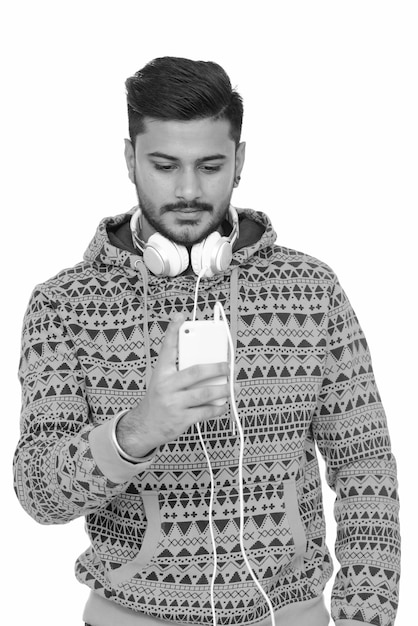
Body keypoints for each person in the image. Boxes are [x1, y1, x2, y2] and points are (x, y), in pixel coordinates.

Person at [13, 56, 400, 626]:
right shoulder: (63, 306)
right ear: (130, 159)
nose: (188, 190)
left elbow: (364, 464)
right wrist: (139, 429)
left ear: (240, 161)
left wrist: (365, 616)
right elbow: (39, 493)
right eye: (165, 166)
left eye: (210, 165)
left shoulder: (311, 290)